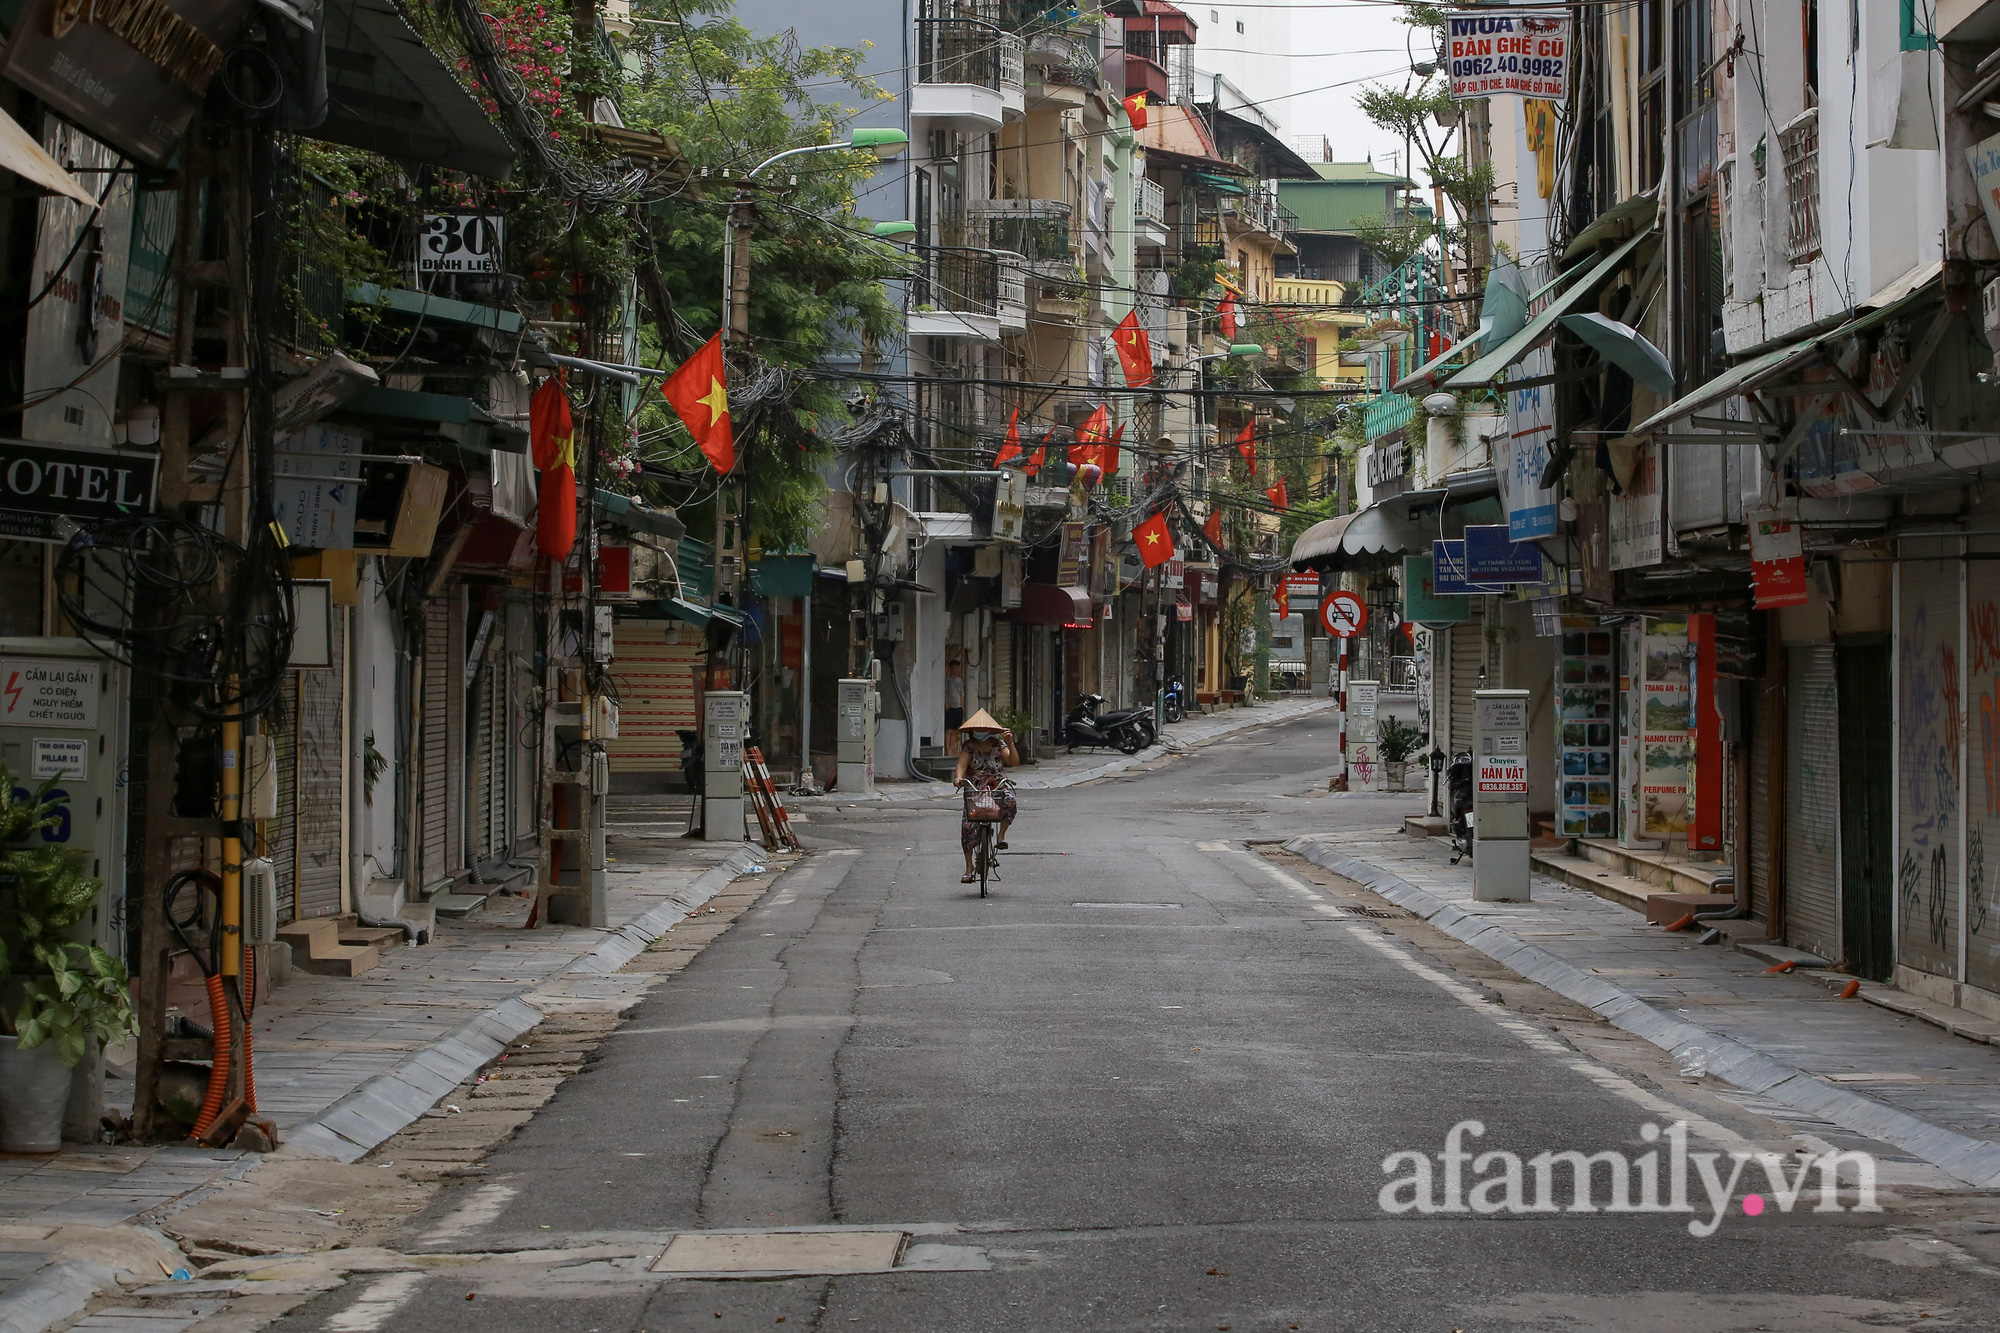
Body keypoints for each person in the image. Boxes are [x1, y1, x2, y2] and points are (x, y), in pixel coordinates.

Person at [953, 709, 1020, 883]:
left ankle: (1001, 836)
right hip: (975, 788)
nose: (981, 732)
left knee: (1010, 802)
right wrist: (959, 778)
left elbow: (1013, 762)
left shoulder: (998, 745)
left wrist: (1010, 743)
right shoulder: (968, 746)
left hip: (996, 786)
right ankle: (969, 867)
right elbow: (961, 765)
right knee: (967, 826)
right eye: (978, 729)